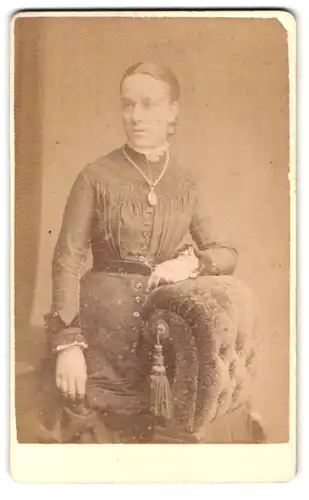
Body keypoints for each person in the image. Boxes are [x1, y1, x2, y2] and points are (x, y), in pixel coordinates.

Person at [43, 62, 237, 443]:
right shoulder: (95, 176)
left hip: (163, 344)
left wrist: (191, 263)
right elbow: (66, 260)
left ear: (172, 112)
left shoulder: (186, 182)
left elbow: (226, 252)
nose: (135, 116)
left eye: (148, 105)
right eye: (128, 105)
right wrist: (68, 344)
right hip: (99, 341)